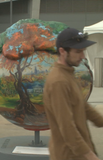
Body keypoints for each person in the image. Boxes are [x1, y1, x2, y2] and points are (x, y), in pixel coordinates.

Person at [43, 28, 103, 160]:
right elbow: (66, 126)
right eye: (78, 52)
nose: (83, 56)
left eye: (83, 51)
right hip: (68, 154)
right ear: (62, 51)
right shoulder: (58, 82)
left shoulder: (68, 74)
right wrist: (90, 156)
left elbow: (82, 105)